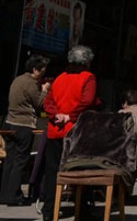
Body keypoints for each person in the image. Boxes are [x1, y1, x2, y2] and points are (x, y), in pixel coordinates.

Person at [42, 45, 100, 221]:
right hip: (77, 131)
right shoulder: (88, 77)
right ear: (87, 62)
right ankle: (82, 210)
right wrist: (70, 116)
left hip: (55, 130)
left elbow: (48, 102)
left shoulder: (59, 78)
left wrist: (56, 115)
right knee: (80, 171)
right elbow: (87, 101)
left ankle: (49, 210)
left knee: (52, 172)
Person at [0, 54, 50, 206]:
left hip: (10, 123)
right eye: (42, 71)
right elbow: (39, 103)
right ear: (35, 69)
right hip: (24, 125)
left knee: (10, 160)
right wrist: (45, 90)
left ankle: (5, 195)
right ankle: (14, 196)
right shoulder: (31, 83)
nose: (43, 74)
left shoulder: (18, 80)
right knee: (20, 161)